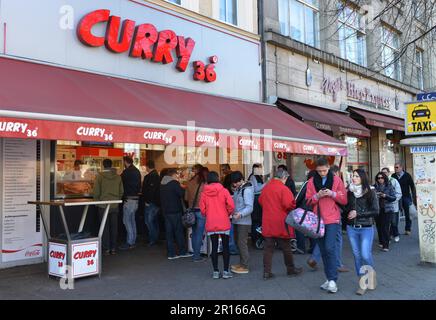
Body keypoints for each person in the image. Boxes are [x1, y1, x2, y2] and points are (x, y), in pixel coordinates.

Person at [306, 157, 347, 294]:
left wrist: (332, 194)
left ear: (329, 168)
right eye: (319, 171)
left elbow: (344, 199)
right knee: (323, 249)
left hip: (332, 219)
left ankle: (333, 279)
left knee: (330, 247)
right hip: (317, 219)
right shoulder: (312, 182)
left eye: (324, 170)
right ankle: (329, 278)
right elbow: (308, 201)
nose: (322, 173)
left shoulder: (336, 180)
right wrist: (317, 196)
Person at [259, 169, 303, 280]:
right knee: (286, 247)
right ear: (284, 177)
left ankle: (266, 272)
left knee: (268, 248)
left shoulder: (266, 188)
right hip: (281, 222)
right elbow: (290, 205)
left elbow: (260, 201)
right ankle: (290, 269)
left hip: (268, 221)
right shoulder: (284, 189)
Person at [344, 169, 379, 295]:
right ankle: (362, 282)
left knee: (365, 255)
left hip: (366, 227)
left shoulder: (370, 191)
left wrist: (358, 214)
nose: (354, 178)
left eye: (357, 176)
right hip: (351, 228)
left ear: (363, 178)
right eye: (353, 176)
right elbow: (346, 207)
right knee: (357, 255)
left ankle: (371, 274)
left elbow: (376, 210)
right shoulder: (350, 191)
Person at [199, 171, 235, 279]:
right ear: (217, 178)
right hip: (224, 221)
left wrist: (208, 214)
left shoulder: (204, 193)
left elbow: (202, 209)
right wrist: (227, 213)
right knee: (225, 247)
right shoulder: (224, 191)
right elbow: (231, 206)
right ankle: (225, 271)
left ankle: (215, 271)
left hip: (211, 222)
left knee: (213, 247)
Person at [93, 159, 124, 255]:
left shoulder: (99, 177)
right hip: (114, 204)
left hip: (103, 205)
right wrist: (117, 199)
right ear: (111, 165)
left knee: (104, 227)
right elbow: (121, 191)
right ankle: (113, 248)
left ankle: (106, 248)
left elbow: (96, 192)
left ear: (103, 165)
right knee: (114, 226)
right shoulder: (118, 177)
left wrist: (97, 201)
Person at [160, 168, 192, 260]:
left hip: (166, 211)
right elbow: (182, 193)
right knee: (178, 232)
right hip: (175, 210)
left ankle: (171, 253)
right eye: (176, 175)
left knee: (169, 233)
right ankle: (182, 251)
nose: (177, 176)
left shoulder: (162, 183)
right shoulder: (174, 183)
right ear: (173, 175)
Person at [230, 171, 254, 274]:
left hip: (243, 221)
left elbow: (249, 207)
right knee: (238, 242)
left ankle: (245, 265)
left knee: (242, 243)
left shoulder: (247, 190)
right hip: (237, 220)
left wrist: (240, 214)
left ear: (240, 180)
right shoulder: (240, 189)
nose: (234, 184)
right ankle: (241, 263)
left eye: (235, 182)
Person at [277, 165, 305, 254]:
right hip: (288, 206)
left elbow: (293, 194)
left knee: (292, 226)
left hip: (289, 206)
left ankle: (292, 244)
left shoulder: (288, 182)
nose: (279, 173)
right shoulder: (281, 183)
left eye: (280, 171)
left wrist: (292, 204)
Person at [185, 166, 209, 262]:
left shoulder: (189, 182)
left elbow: (186, 198)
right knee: (199, 233)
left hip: (191, 210)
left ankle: (195, 253)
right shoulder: (205, 184)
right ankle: (196, 256)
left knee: (194, 233)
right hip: (201, 211)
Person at [120, 156, 141, 250]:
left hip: (129, 200)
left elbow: (120, 184)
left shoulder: (126, 172)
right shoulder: (137, 171)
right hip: (136, 199)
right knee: (132, 221)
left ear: (125, 162)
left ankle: (129, 242)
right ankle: (133, 241)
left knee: (127, 221)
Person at [374, 172, 396, 252]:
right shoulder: (374, 187)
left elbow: (394, 198)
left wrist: (385, 196)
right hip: (378, 209)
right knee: (379, 226)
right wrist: (375, 195)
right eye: (378, 178)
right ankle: (381, 241)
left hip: (387, 209)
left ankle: (385, 245)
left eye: (381, 178)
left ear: (385, 178)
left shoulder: (389, 186)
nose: (380, 179)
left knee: (385, 227)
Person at [392, 163, 417, 235]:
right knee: (395, 213)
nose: (395, 169)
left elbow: (412, 186)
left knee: (407, 213)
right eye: (394, 167)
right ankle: (395, 231)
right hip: (396, 196)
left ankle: (408, 229)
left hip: (405, 196)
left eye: (397, 167)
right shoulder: (393, 176)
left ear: (401, 168)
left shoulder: (407, 175)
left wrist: (414, 197)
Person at [141, 160, 161, 247]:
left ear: (148, 167)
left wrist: (147, 201)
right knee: (154, 221)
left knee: (149, 221)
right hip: (157, 203)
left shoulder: (150, 177)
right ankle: (155, 238)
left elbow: (149, 191)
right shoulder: (158, 176)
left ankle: (152, 240)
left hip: (151, 203)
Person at [381, 167, 402, 243]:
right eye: (382, 173)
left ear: (389, 173)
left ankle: (396, 234)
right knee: (386, 223)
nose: (384, 174)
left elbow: (399, 193)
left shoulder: (394, 181)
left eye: (385, 172)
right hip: (383, 206)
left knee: (393, 222)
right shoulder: (380, 181)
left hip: (393, 205)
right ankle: (388, 237)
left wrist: (392, 200)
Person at [249, 163, 265, 248]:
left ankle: (258, 238)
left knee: (259, 220)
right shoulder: (253, 177)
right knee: (256, 220)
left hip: (259, 199)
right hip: (255, 200)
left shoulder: (258, 177)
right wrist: (265, 184)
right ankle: (255, 239)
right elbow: (256, 189)